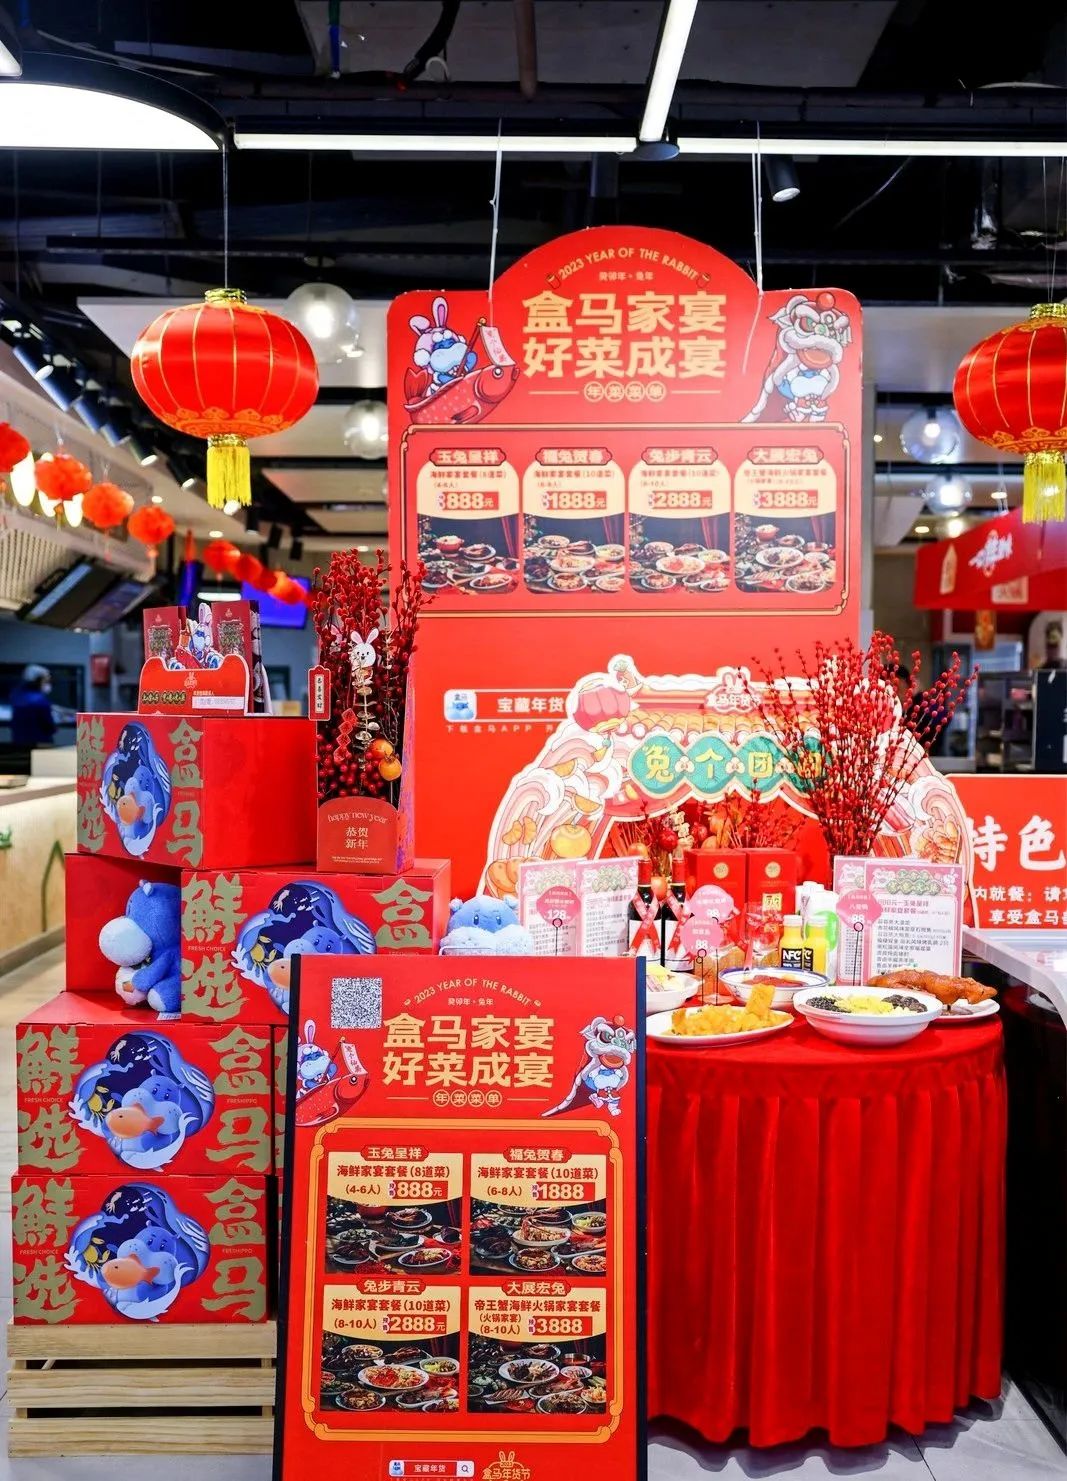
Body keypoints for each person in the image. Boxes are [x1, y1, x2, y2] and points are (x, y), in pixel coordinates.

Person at [10, 664, 57, 747]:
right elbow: (49, 727)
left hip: (18, 742)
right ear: (37, 681)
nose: (48, 684)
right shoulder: (40, 701)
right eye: (45, 681)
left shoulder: (16, 696)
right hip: (40, 743)